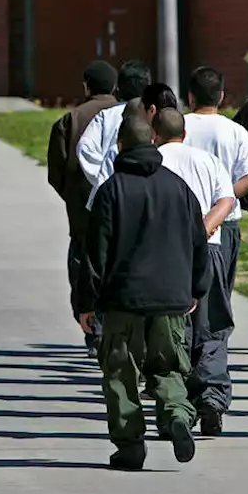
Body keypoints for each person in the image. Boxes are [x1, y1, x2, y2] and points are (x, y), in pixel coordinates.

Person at [78, 116, 211, 471]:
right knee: (167, 367)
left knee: (121, 371)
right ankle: (178, 415)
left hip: (123, 300)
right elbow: (199, 243)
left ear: (120, 145)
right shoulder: (179, 188)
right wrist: (196, 288)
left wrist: (86, 304)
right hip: (171, 299)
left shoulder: (111, 190)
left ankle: (130, 446)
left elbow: (95, 255)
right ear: (153, 142)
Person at [154, 107, 237, 435]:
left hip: (166, 256)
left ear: (153, 134)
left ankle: (180, 406)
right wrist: (202, 230)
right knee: (213, 325)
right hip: (210, 249)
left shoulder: (154, 162)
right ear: (184, 134)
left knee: (175, 330)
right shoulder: (206, 161)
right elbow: (226, 202)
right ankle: (213, 399)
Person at [47, 60, 119, 357]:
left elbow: (56, 172)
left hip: (83, 212)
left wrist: (74, 197)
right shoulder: (131, 114)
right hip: (122, 208)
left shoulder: (70, 120)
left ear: (86, 86)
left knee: (83, 264)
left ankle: (92, 327)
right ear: (115, 86)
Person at [183, 67, 248, 306]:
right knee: (219, 292)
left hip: (182, 218)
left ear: (190, 97)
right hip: (224, 221)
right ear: (221, 96)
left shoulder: (178, 127)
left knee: (183, 287)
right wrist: (222, 201)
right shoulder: (235, 131)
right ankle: (214, 341)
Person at [77, 60, 153, 208]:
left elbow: (84, 147)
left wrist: (103, 176)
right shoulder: (153, 114)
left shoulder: (106, 116)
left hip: (111, 196)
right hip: (149, 193)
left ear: (119, 87)